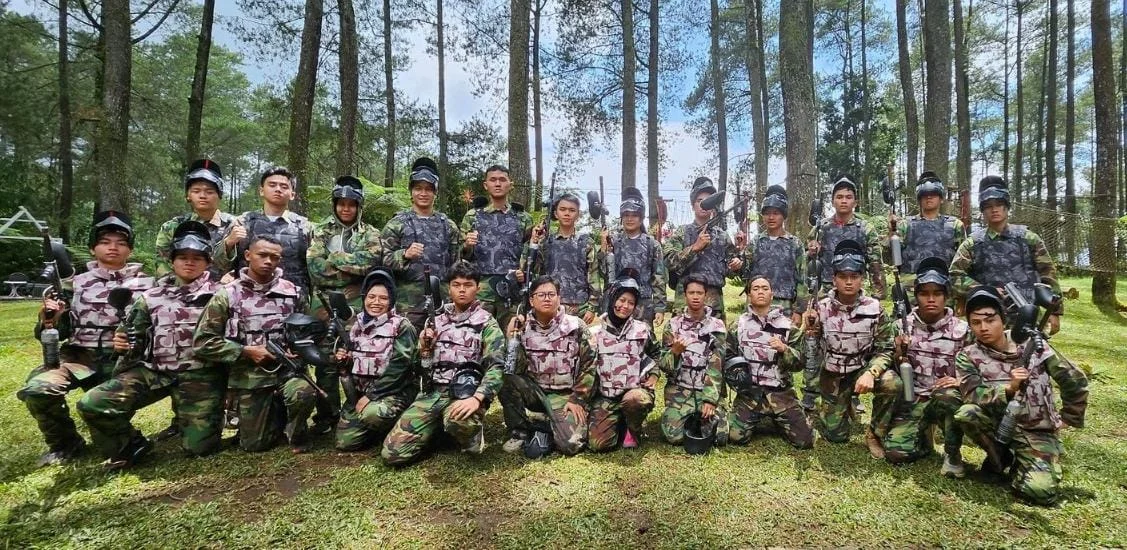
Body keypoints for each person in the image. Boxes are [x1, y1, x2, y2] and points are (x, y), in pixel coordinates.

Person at [77, 221, 224, 469]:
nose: (189, 262)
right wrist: (123, 343)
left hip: (201, 376)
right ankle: (130, 444)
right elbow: (132, 335)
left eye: (197, 258)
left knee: (199, 449)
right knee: (94, 402)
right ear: (172, 260)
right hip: (156, 372)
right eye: (183, 257)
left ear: (208, 262)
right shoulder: (151, 296)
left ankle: (197, 423)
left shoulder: (223, 294)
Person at [17, 211, 155, 466]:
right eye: (105, 242)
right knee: (38, 388)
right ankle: (65, 444)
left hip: (123, 362)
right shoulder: (73, 285)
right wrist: (50, 319)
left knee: (111, 444)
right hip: (80, 358)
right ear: (93, 249)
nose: (113, 247)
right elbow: (57, 334)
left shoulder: (149, 285)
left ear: (130, 250)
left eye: (121, 243)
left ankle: (124, 438)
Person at [953, 286, 1088, 506]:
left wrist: (1068, 418)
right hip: (999, 426)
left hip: (1037, 430)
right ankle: (999, 460)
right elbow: (972, 394)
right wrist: (1009, 388)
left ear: (1003, 319)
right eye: (976, 323)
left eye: (990, 320)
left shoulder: (1034, 345)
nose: (983, 328)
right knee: (967, 413)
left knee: (1040, 493)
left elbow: (1074, 379)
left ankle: (1023, 465)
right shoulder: (968, 355)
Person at [193, 235, 318, 453]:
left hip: (287, 372)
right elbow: (203, 342)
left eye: (275, 257)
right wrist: (244, 351)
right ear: (248, 255)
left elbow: (308, 331)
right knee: (255, 445)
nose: (268, 261)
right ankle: (271, 416)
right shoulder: (227, 295)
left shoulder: (292, 292)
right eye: (262, 255)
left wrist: (298, 348)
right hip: (250, 379)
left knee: (303, 392)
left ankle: (296, 430)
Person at [381, 262, 505, 465]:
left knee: (460, 421)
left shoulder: (486, 323)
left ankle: (470, 434)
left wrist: (477, 398)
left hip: (464, 394)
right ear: (449, 288)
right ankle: (434, 430)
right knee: (393, 454)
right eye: (456, 284)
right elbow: (419, 365)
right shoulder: (435, 321)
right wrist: (424, 348)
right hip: (432, 394)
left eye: (468, 284)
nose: (462, 290)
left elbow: (497, 366)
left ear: (478, 288)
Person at [863, 258, 969, 474]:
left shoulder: (963, 330)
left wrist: (961, 381)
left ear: (946, 296)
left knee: (948, 395)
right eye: (924, 294)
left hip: (946, 400)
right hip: (915, 399)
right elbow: (888, 359)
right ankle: (920, 436)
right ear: (916, 296)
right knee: (897, 454)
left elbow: (981, 365)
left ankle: (952, 452)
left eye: (937, 294)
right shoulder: (902, 327)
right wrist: (899, 353)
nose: (931, 299)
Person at [307, 175, 383, 434]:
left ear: (359, 206)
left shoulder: (371, 233)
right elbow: (315, 268)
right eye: (341, 203)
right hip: (323, 304)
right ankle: (327, 416)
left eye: (351, 204)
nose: (346, 208)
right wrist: (351, 266)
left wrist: (335, 258)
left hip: (358, 304)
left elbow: (371, 264)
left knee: (361, 356)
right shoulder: (321, 231)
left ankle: (360, 410)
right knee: (326, 359)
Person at [805, 176, 884, 415]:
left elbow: (875, 262)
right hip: (826, 290)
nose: (844, 201)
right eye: (839, 196)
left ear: (855, 201)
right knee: (815, 340)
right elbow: (809, 259)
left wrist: (878, 294)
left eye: (848, 196)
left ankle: (853, 393)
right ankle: (811, 390)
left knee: (856, 342)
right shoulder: (822, 227)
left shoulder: (865, 228)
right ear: (832, 201)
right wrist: (812, 251)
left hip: (853, 291)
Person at [805, 240, 893, 445]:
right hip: (833, 375)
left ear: (862, 279)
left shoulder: (874, 308)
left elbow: (886, 348)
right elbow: (809, 353)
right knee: (836, 437)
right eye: (843, 277)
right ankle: (841, 406)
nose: (848, 282)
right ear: (834, 279)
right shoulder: (820, 307)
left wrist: (872, 373)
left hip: (862, 369)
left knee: (892, 382)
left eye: (854, 277)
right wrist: (809, 329)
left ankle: (875, 433)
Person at [950, 176, 1062, 335]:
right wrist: (984, 290)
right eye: (988, 206)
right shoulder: (973, 243)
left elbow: (1048, 275)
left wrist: (1054, 312)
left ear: (1007, 207)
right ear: (983, 211)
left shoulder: (1029, 238)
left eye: (999, 205)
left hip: (1028, 315)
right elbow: (954, 276)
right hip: (987, 319)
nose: (994, 209)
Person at [500, 275, 597, 455]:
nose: (547, 298)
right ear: (531, 300)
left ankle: (544, 423)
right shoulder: (523, 327)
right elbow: (514, 368)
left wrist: (577, 399)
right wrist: (511, 338)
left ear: (559, 298)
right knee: (505, 379)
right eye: (541, 295)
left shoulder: (575, 326)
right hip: (535, 391)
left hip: (565, 395)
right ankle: (519, 430)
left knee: (570, 445)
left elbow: (590, 365)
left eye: (551, 294)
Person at [332, 271, 419, 452]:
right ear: (364, 298)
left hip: (393, 392)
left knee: (373, 415)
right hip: (361, 393)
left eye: (383, 298)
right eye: (371, 297)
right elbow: (354, 363)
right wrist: (345, 360)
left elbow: (400, 367)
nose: (376, 303)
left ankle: (398, 425)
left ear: (391, 301)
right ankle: (372, 426)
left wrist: (372, 395)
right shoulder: (356, 326)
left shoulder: (401, 326)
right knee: (345, 442)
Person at [724, 275, 813, 449]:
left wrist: (784, 350)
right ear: (749, 294)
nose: (760, 292)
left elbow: (800, 363)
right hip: (750, 394)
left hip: (781, 393)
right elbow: (727, 357)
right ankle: (755, 416)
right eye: (755, 289)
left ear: (772, 295)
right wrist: (738, 380)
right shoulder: (738, 325)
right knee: (735, 437)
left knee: (805, 441)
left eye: (765, 288)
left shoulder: (788, 327)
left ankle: (787, 418)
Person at [381, 157, 463, 332]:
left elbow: (457, 264)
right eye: (418, 188)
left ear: (435, 192)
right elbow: (383, 261)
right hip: (408, 304)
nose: (423, 193)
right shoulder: (397, 223)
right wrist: (404, 255)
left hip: (442, 301)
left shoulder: (448, 225)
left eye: (428, 189)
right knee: (408, 348)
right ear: (411, 191)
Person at [587, 277, 662, 451]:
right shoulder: (595, 333)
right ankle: (618, 421)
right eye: (621, 300)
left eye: (631, 303)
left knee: (635, 400)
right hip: (606, 395)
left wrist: (654, 374)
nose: (625, 306)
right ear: (612, 299)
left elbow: (656, 353)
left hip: (634, 392)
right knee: (598, 445)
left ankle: (633, 429)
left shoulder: (642, 330)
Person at [461, 164, 534, 333]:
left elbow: (531, 254)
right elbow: (461, 257)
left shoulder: (523, 218)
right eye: (493, 180)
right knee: (477, 336)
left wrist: (524, 273)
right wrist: (466, 245)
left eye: (502, 180)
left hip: (512, 289)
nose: (498, 184)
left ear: (510, 184)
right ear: (486, 185)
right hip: (481, 290)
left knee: (513, 337)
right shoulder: (473, 216)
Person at [659, 278, 729, 445]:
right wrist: (674, 354)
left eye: (699, 293)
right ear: (685, 295)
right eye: (691, 293)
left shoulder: (717, 326)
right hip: (681, 390)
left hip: (706, 389)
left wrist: (710, 400)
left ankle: (701, 416)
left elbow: (717, 366)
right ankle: (690, 417)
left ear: (706, 296)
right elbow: (663, 365)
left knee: (721, 438)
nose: (695, 297)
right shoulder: (673, 326)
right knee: (673, 436)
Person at [663, 177, 743, 320]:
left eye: (707, 201)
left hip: (714, 302)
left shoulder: (722, 236)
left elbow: (730, 272)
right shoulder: (683, 232)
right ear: (693, 205)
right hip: (685, 300)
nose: (703, 205)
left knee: (714, 341)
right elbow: (668, 261)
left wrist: (736, 264)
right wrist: (694, 248)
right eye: (699, 201)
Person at [231, 166, 315, 297]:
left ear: (292, 194)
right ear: (261, 190)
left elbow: (314, 269)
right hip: (247, 301)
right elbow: (219, 265)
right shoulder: (243, 222)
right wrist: (228, 243)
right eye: (272, 185)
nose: (278, 189)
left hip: (293, 300)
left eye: (284, 186)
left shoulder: (304, 227)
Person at [154, 159, 237, 279]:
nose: (202, 196)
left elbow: (246, 264)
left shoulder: (234, 225)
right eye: (196, 191)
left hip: (223, 292)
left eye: (209, 191)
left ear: (219, 194)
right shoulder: (172, 227)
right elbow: (161, 263)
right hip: (180, 292)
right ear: (188, 195)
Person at [530, 193, 601, 323]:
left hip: (579, 308)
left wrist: (592, 307)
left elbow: (593, 275)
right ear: (556, 214)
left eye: (572, 210)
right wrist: (534, 242)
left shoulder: (586, 243)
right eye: (562, 209)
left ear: (578, 215)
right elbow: (531, 270)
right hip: (550, 306)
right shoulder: (545, 243)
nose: (567, 214)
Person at [890, 171, 966, 292]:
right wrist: (892, 231)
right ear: (919, 199)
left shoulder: (955, 225)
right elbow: (893, 258)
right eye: (924, 194)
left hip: (944, 288)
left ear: (941, 199)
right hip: (912, 288)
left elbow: (962, 263)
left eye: (933, 194)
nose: (929, 197)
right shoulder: (904, 225)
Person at [603, 187, 667, 323]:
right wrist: (604, 250)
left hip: (643, 304)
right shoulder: (613, 242)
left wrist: (659, 308)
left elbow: (659, 279)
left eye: (634, 215)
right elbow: (604, 274)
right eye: (626, 215)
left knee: (643, 340)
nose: (630, 219)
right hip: (618, 303)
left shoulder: (652, 245)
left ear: (641, 217)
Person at [744, 185, 806, 321]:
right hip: (757, 305)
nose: (771, 217)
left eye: (776, 213)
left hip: (785, 306)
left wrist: (799, 310)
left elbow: (802, 279)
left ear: (783, 215)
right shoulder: (756, 242)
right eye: (767, 213)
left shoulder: (794, 244)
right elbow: (744, 272)